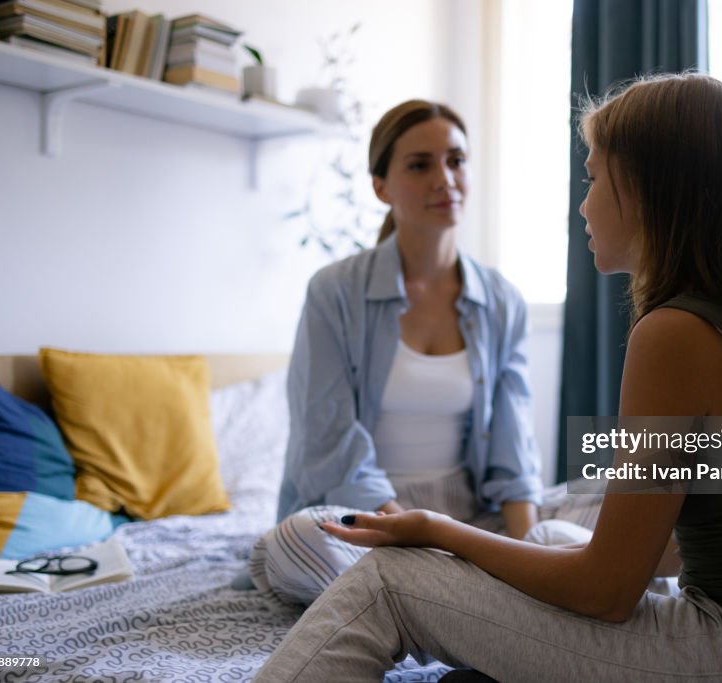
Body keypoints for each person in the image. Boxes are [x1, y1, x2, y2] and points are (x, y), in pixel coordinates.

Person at [253, 74, 722, 682]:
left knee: (387, 583)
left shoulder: (675, 334)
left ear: (649, 188)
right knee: (547, 544)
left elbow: (606, 592)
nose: (583, 201)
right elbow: (701, 540)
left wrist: (439, 534)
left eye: (595, 176)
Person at [248, 99, 601, 606]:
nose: (444, 178)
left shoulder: (501, 300)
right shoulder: (334, 292)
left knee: (624, 489)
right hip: (369, 514)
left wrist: (526, 546)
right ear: (381, 186)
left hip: (472, 513)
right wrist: (415, 532)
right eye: (420, 164)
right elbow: (327, 445)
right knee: (294, 542)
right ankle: (466, 593)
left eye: (456, 160)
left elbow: (512, 441)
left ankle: (442, 595)